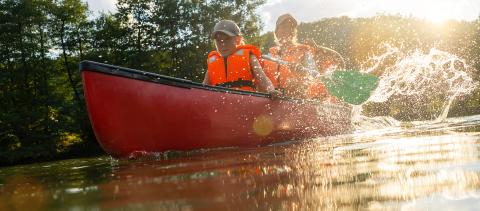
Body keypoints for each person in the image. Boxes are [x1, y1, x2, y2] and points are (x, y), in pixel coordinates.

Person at [263, 13, 344, 100]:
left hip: (297, 96)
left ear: (294, 32)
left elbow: (314, 73)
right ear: (276, 32)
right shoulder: (269, 55)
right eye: (283, 27)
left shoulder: (304, 51)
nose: (287, 30)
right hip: (272, 97)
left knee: (292, 83)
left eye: (290, 27)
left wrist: (301, 70)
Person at [203, 20, 280, 97]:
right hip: (218, 104)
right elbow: (203, 88)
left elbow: (262, 78)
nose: (223, 44)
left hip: (245, 103)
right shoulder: (213, 62)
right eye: (218, 40)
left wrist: (271, 90)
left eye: (227, 39)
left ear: (238, 40)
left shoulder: (249, 56)